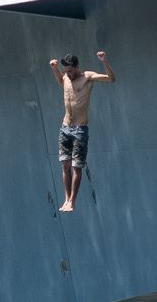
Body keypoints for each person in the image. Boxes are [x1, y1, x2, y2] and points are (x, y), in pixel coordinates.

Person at [48, 50, 115, 213]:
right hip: (65, 128)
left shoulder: (87, 77)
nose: (68, 74)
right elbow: (61, 82)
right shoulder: (65, 78)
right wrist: (55, 69)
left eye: (70, 71)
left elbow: (111, 79)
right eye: (66, 71)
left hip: (80, 129)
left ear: (77, 67)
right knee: (65, 165)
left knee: (76, 166)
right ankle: (66, 199)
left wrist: (104, 61)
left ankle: (72, 201)